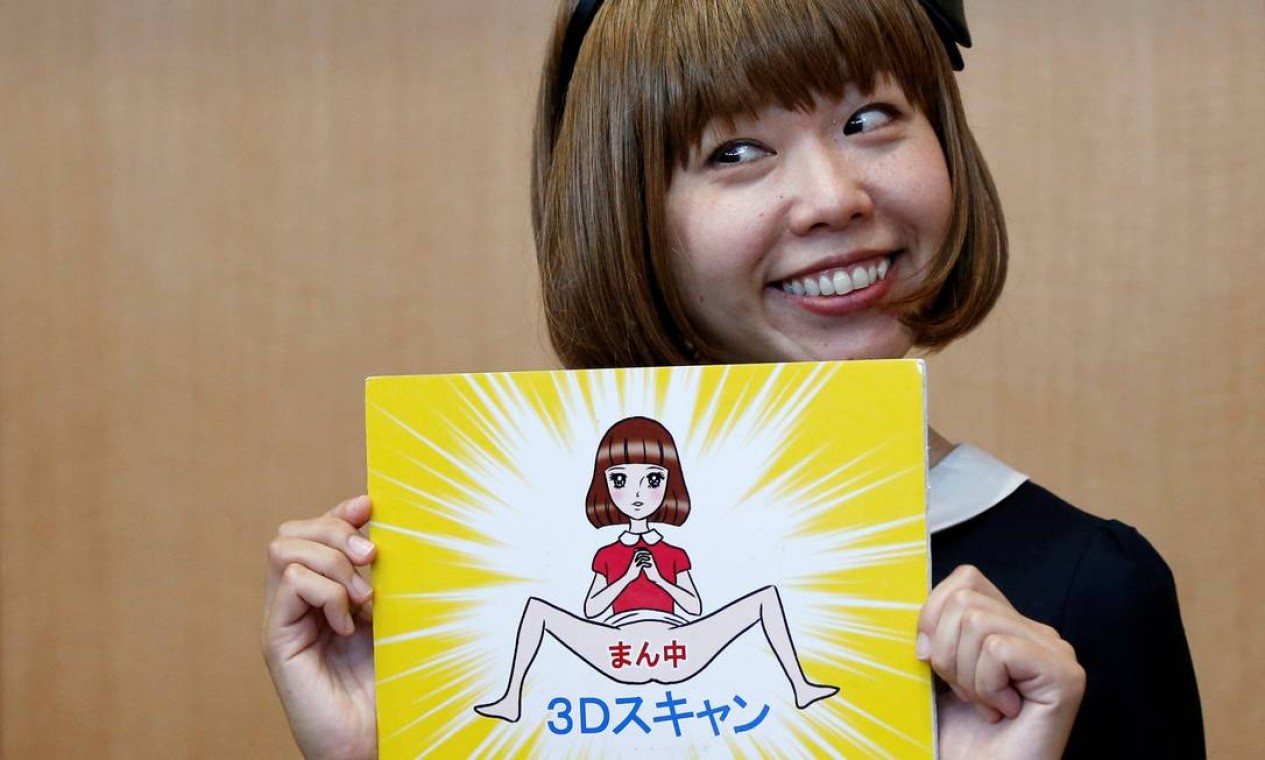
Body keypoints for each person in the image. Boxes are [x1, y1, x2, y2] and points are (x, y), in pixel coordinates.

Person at [262, 0, 1205, 757]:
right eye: (735, 153)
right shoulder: (473, 587)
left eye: (869, 119)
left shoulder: (1089, 590)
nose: (833, 198)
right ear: (628, 215)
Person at [472, 416, 838, 723]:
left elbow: (694, 608)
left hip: (679, 645)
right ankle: (511, 699)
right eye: (620, 480)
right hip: (618, 647)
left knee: (765, 598)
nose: (636, 494)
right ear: (604, 485)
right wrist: (627, 579)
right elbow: (591, 610)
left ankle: (801, 687)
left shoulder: (673, 552)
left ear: (669, 482)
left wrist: (662, 580)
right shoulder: (607, 553)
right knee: (537, 609)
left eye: (652, 480)